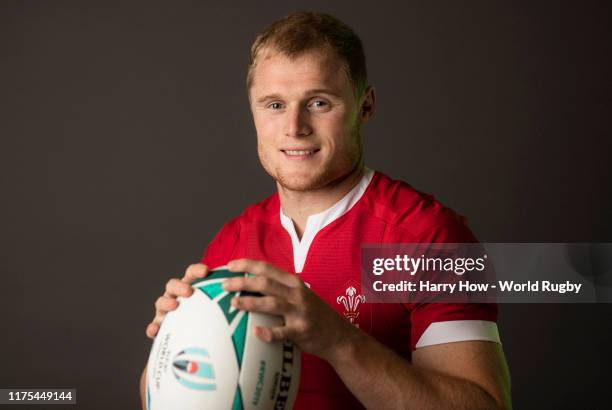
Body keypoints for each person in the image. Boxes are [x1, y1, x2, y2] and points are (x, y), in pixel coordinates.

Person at [140, 11, 511, 410]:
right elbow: (157, 400)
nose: (295, 126)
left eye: (319, 102)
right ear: (253, 111)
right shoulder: (234, 241)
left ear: (365, 105)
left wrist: (338, 340)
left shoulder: (428, 236)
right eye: (275, 104)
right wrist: (178, 335)